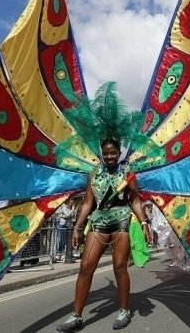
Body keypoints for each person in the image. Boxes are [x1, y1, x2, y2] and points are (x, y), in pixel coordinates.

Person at [56, 139, 151, 332]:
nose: (109, 156)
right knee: (85, 267)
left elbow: (135, 201)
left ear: (118, 153)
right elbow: (87, 203)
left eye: (113, 153)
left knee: (119, 266)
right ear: (101, 154)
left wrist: (143, 223)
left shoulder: (127, 173)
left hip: (121, 220)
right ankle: (76, 316)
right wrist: (77, 227)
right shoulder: (93, 174)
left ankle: (124, 311)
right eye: (106, 153)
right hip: (98, 221)